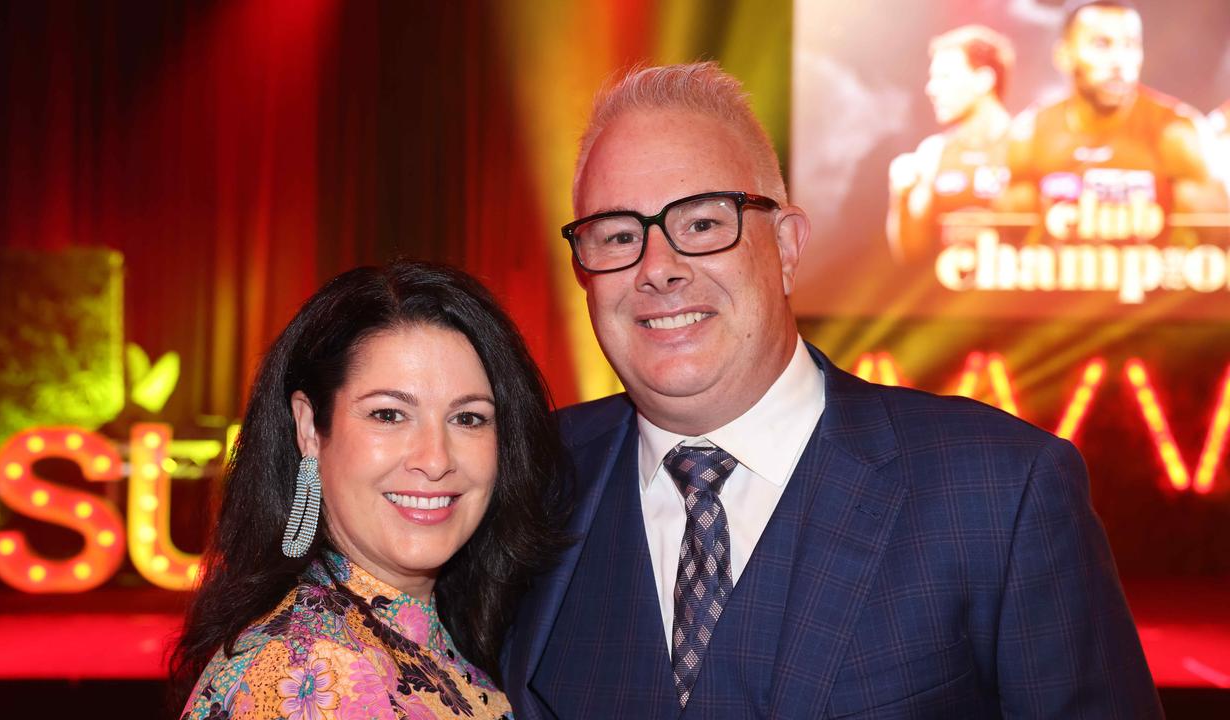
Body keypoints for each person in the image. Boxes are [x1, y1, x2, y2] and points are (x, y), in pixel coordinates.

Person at [502, 62, 1160, 717]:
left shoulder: (1000, 493)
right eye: (617, 235)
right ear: (583, 272)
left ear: (787, 247)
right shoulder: (524, 480)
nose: (658, 268)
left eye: (702, 224)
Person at [171, 262, 565, 719]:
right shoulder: (310, 672)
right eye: (388, 415)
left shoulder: (425, 637)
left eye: (468, 418)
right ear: (309, 428)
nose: (435, 459)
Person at [1002, 0, 1226, 241]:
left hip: (1148, 277)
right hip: (1060, 276)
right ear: (1064, 55)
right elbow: (1006, 241)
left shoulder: (1175, 133)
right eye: (1102, 44)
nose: (1119, 62)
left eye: (1130, 45)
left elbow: (1220, 239)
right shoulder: (1031, 133)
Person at [887, 25, 1014, 264]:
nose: (931, 89)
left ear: (983, 80)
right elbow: (911, 256)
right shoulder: (933, 153)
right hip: (948, 296)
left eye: (944, 77)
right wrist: (900, 199)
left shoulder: (1027, 145)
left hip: (1014, 297)